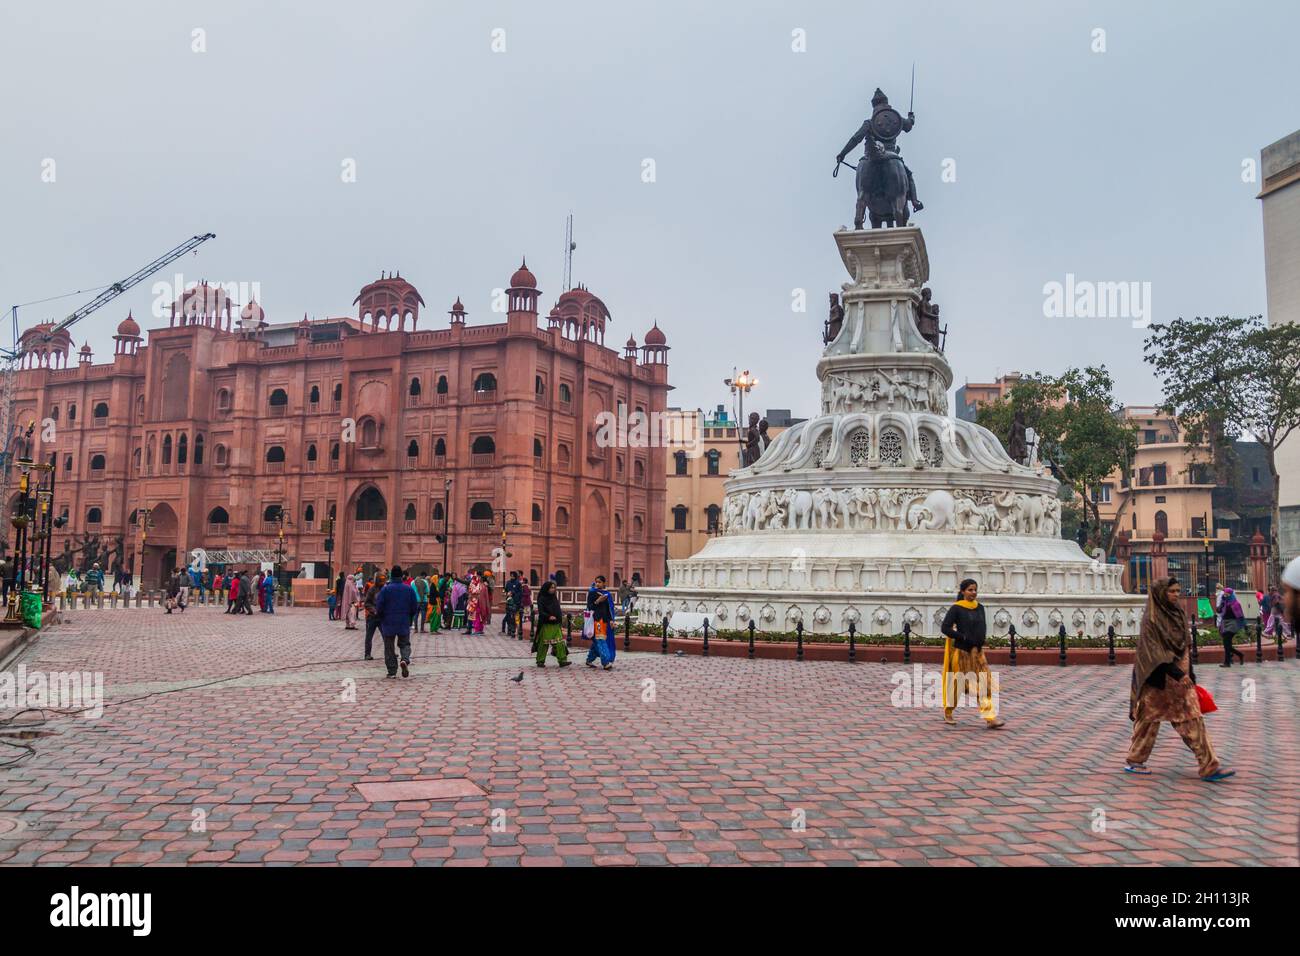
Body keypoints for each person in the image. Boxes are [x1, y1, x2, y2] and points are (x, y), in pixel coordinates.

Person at [1125, 576, 1234, 781]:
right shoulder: (1152, 619)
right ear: (1160, 593)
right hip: (1158, 680)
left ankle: (1209, 765)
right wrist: (1178, 674)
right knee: (1148, 721)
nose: (1176, 594)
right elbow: (1155, 652)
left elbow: (1184, 646)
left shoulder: (1178, 614)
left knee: (1193, 719)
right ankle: (1135, 759)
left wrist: (1189, 674)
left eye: (1177, 590)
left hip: (1181, 683)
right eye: (1171, 591)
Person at [939, 579, 1005, 728]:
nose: (973, 593)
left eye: (975, 590)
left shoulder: (980, 607)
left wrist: (981, 641)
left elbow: (983, 626)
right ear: (963, 592)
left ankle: (990, 718)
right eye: (970, 590)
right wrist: (962, 637)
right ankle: (948, 711)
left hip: (978, 653)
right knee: (958, 684)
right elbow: (945, 628)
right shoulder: (956, 608)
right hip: (962, 652)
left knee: (984, 685)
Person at [375, 565, 417, 678]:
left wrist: (380, 616)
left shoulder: (386, 589)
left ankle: (392, 671)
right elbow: (414, 606)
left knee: (389, 647)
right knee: (405, 644)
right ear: (402, 576)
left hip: (388, 622)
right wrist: (410, 617)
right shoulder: (408, 589)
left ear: (391, 576)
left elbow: (379, 606)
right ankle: (404, 659)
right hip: (403, 621)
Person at [534, 581, 571, 668]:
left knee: (559, 643)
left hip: (556, 624)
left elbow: (557, 610)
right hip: (546, 624)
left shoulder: (554, 597)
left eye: (554, 588)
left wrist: (559, 618)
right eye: (551, 588)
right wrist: (548, 616)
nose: (553, 589)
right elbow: (541, 611)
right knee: (544, 643)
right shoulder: (542, 598)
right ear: (546, 588)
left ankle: (562, 660)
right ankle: (540, 661)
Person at [585, 575, 615, 670]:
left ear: (604, 583)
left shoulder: (606, 594)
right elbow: (589, 607)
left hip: (605, 620)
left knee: (597, 641)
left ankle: (589, 659)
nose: (598, 584)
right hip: (596, 620)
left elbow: (608, 609)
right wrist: (598, 601)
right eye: (596, 582)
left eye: (600, 582)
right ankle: (606, 662)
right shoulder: (592, 593)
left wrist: (611, 620)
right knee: (600, 640)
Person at [1216, 586, 1246, 667]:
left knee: (1227, 643)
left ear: (1231, 594)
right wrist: (1220, 606)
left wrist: (1245, 626)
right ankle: (1240, 655)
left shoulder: (1235, 603)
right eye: (1225, 593)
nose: (1225, 595)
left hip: (1233, 624)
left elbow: (1240, 615)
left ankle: (1227, 663)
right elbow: (1218, 611)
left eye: (1227, 593)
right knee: (1227, 645)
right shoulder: (1224, 602)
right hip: (1225, 622)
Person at [362, 574, 384, 659]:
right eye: (380, 580)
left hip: (382, 617)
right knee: (369, 636)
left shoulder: (385, 589)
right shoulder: (372, 589)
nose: (382, 582)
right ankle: (367, 654)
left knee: (386, 636)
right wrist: (374, 610)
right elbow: (367, 603)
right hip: (372, 616)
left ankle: (390, 651)